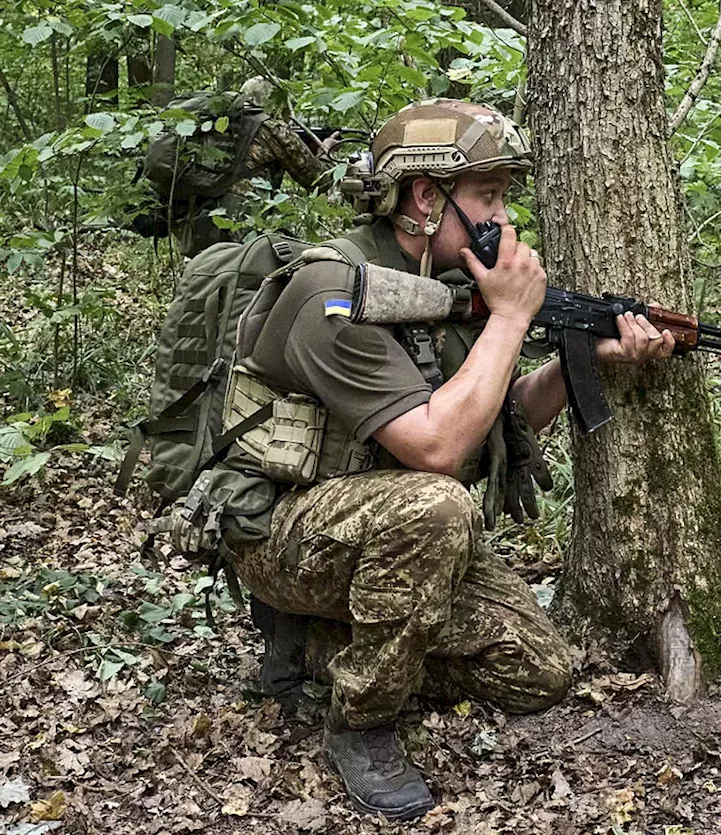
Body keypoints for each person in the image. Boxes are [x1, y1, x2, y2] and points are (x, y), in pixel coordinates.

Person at [213, 99, 676, 820]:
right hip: (283, 532)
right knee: (440, 503)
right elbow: (437, 448)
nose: (505, 221)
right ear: (425, 197)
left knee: (539, 670)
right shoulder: (333, 293)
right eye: (488, 197)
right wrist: (515, 316)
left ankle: (316, 640)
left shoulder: (443, 287)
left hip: (388, 540)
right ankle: (361, 720)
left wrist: (591, 360)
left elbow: (497, 413)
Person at [140, 77, 341, 257]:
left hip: (197, 225)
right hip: (242, 235)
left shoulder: (220, 123)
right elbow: (319, 181)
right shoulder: (271, 129)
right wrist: (326, 152)